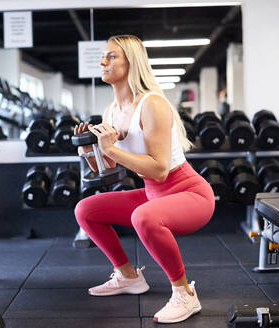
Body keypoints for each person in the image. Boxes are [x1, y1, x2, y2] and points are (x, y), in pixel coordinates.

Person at [73, 35, 215, 324]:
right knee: (85, 210)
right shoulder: (112, 111)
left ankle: (185, 294)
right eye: (103, 56)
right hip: (153, 194)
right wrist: (90, 151)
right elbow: (110, 168)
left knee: (143, 217)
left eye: (111, 56)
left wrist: (109, 147)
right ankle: (128, 277)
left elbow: (160, 170)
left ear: (131, 63)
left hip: (190, 193)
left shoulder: (152, 104)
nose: (102, 61)